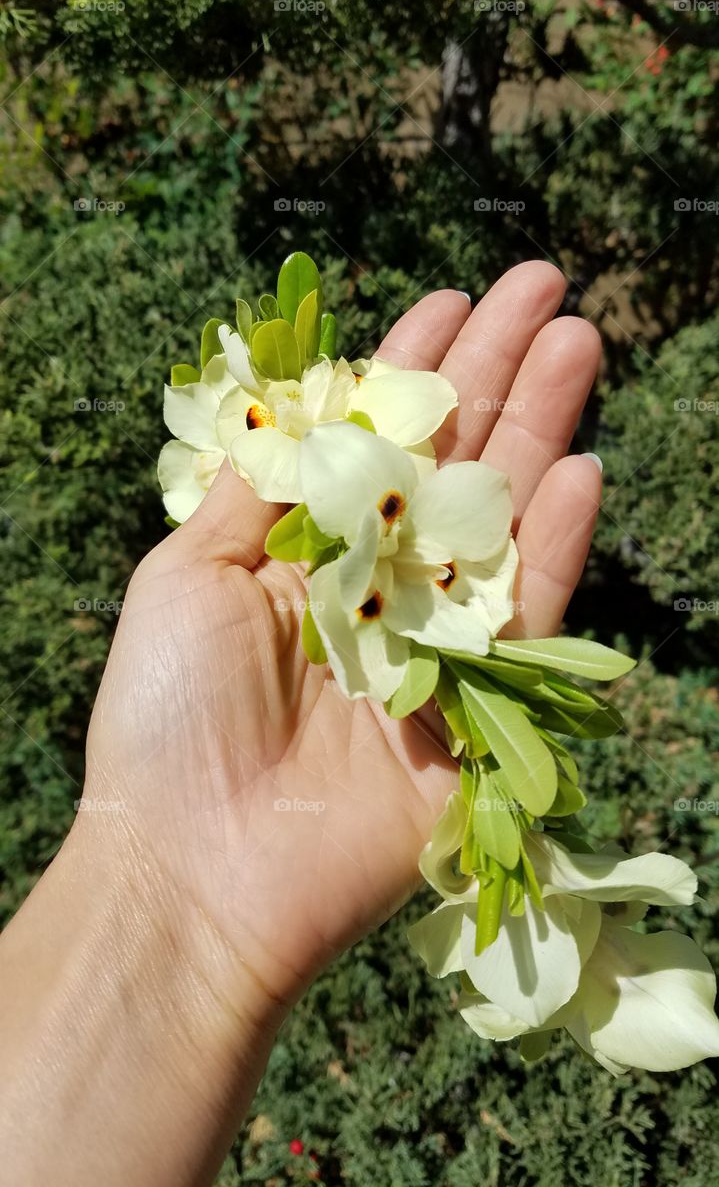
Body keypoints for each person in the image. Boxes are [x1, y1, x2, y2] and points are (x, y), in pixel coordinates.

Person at [0, 262, 603, 1186]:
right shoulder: (365, 540)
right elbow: (423, 554)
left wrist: (166, 900)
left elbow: (448, 540)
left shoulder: (384, 539)